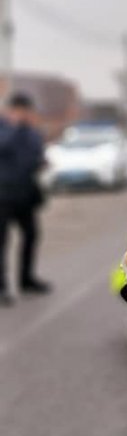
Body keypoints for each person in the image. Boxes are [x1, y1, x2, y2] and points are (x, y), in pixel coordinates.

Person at [0, 92, 50, 304]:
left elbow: (36, 153)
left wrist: (41, 162)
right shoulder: (4, 128)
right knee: (1, 241)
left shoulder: (32, 132)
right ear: (10, 110)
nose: (23, 115)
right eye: (18, 111)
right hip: (2, 194)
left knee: (31, 235)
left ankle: (26, 280)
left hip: (25, 193)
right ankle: (1, 288)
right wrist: (13, 126)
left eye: (25, 111)